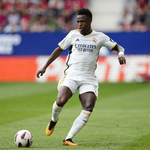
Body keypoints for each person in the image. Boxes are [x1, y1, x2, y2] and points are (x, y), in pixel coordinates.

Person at [36, 8, 126, 146]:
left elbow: (119, 47)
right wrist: (44, 66)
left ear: (89, 21)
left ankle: (68, 138)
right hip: (71, 75)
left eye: (82, 22)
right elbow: (59, 49)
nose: (79, 24)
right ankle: (53, 120)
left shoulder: (100, 37)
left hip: (89, 78)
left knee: (89, 106)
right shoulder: (72, 35)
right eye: (78, 21)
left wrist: (120, 54)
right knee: (60, 101)